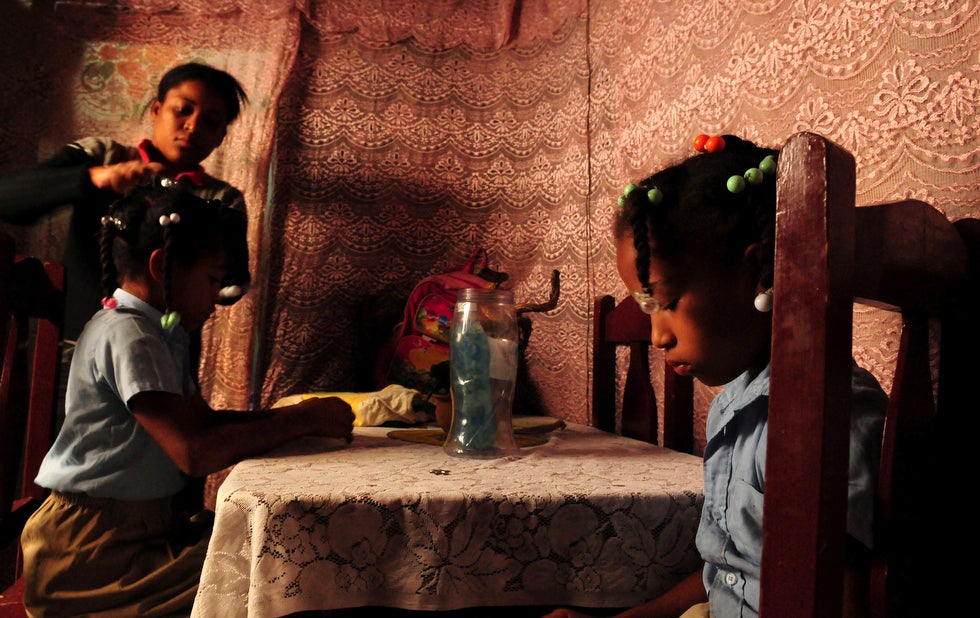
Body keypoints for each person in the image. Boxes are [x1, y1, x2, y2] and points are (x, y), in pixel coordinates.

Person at [544, 135, 886, 618]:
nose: (657, 335)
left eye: (666, 302)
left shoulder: (834, 417)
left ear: (760, 273)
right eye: (647, 307)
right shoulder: (732, 405)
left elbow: (843, 597)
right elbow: (728, 574)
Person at [19, 182, 355, 617]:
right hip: (90, 554)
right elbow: (194, 453)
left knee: (273, 546)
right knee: (279, 569)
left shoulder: (159, 331)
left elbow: (205, 424)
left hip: (138, 534)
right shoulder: (129, 335)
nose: (217, 299)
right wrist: (300, 421)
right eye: (213, 279)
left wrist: (296, 414)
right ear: (164, 266)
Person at [0, 61, 251, 344]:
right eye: (183, 109)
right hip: (77, 351)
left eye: (211, 121)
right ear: (157, 109)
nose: (192, 126)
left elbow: (233, 283)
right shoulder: (101, 156)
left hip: (166, 355)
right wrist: (94, 178)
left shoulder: (221, 199)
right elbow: (8, 200)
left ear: (221, 137)